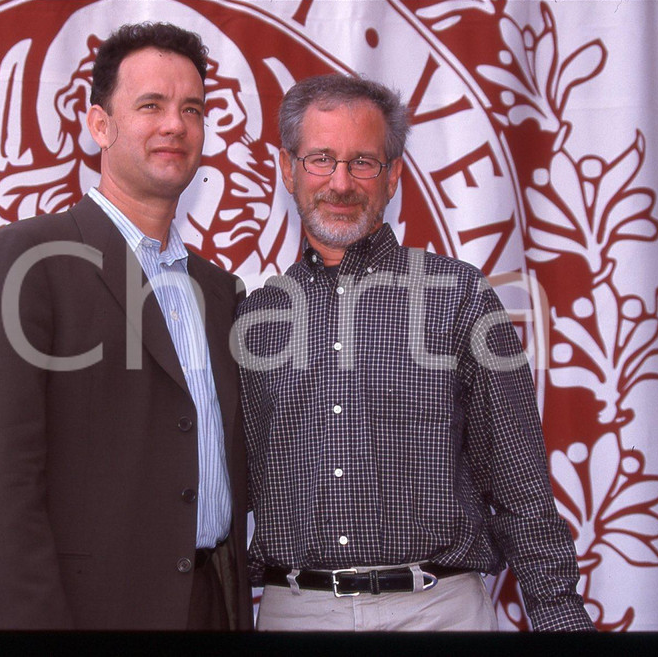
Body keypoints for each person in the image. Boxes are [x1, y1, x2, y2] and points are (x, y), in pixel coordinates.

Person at [232, 73, 596, 631]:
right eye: (321, 159)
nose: (340, 182)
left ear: (394, 175)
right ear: (288, 168)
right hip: (295, 612)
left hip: (438, 612)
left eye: (363, 162)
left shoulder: (460, 297)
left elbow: (519, 483)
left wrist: (560, 618)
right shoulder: (253, 320)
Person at [0, 22, 252, 630]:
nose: (175, 125)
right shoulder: (26, 261)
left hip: (213, 604)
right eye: (151, 105)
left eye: (192, 109)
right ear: (99, 125)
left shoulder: (219, 290)